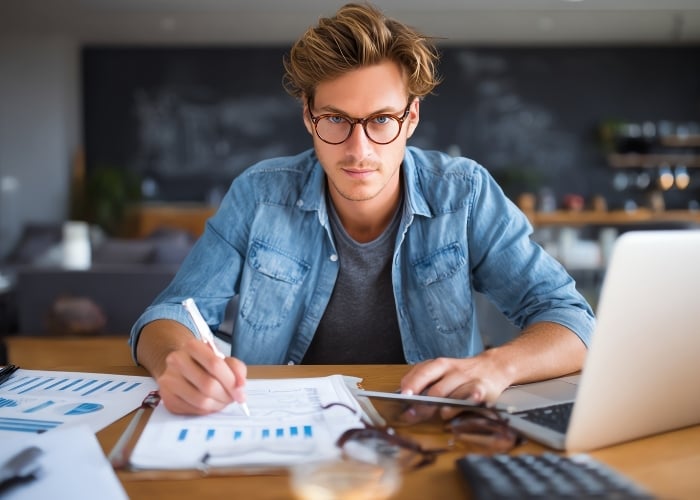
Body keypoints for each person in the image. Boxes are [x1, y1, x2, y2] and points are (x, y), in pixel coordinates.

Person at [129, 2, 595, 416]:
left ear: (410, 118)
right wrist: (177, 360)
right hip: (279, 426)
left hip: (433, 425)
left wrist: (498, 366)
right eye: (336, 119)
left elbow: (572, 319)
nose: (358, 149)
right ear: (309, 116)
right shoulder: (258, 194)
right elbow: (169, 314)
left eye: (381, 121)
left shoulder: (464, 193)